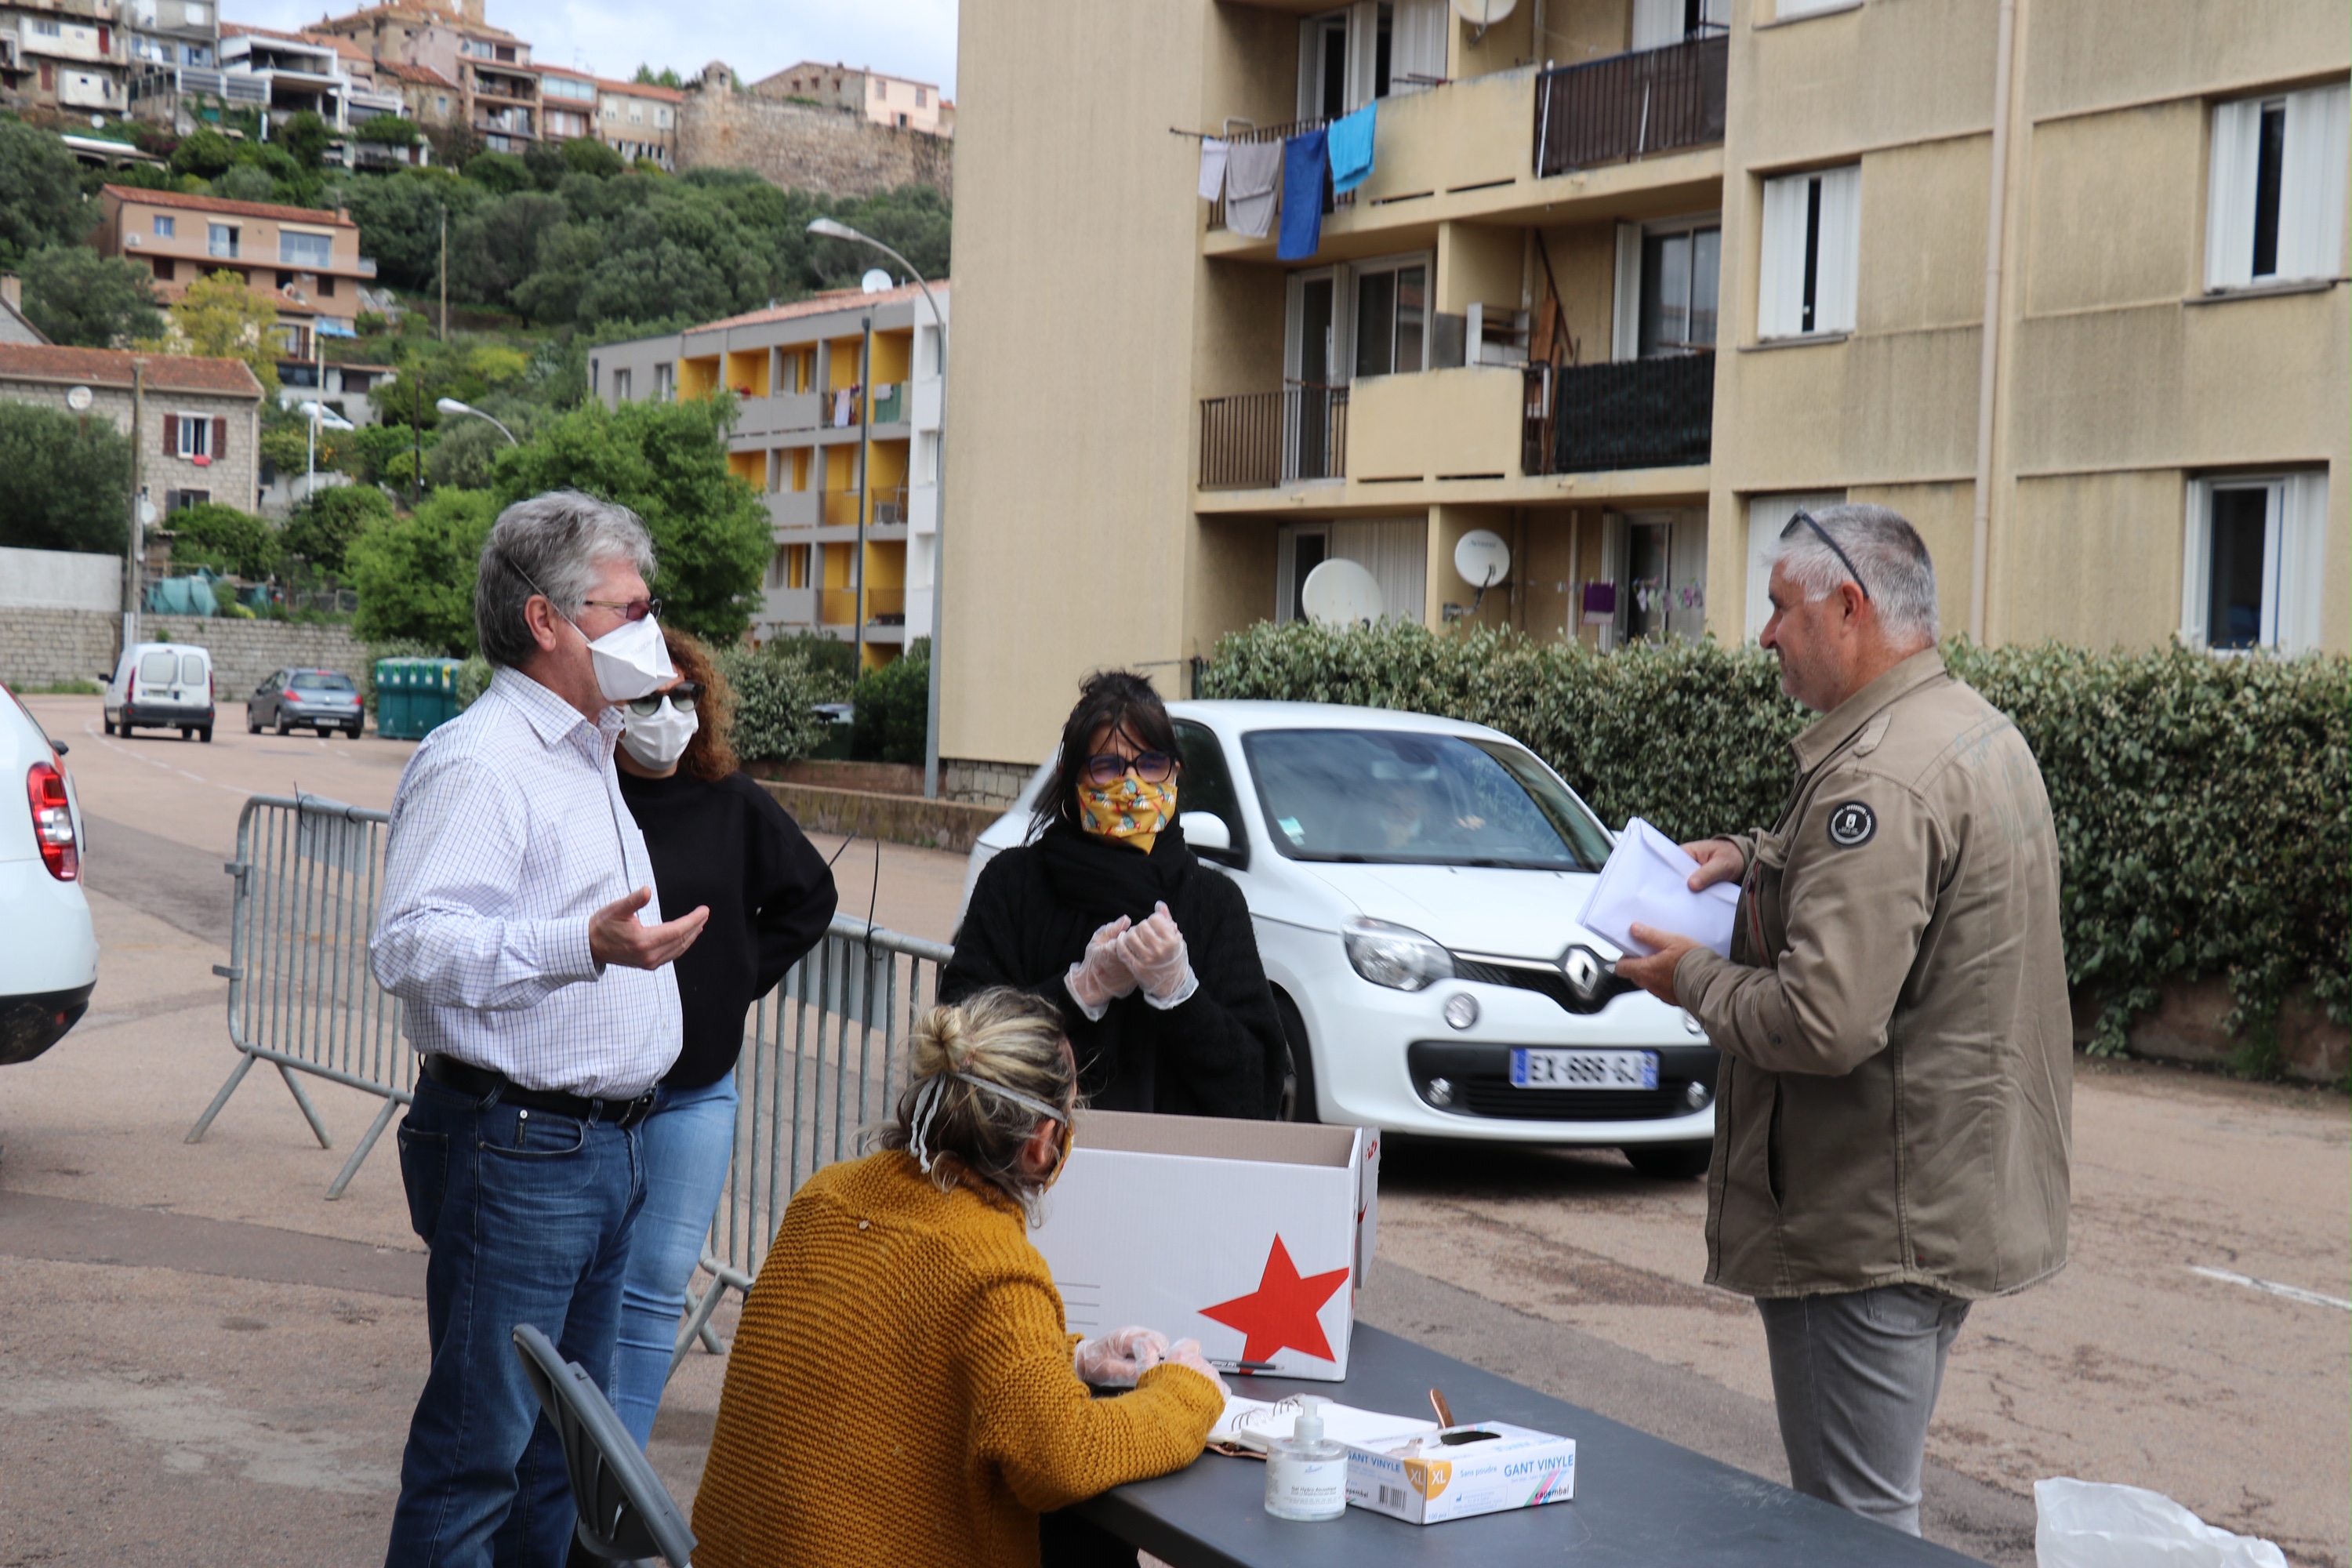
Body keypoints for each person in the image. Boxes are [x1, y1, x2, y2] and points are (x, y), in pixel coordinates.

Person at [1615, 503, 2071, 1537]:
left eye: (1781, 608)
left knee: (1853, 1528)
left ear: (1851, 610)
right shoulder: (1969, 731)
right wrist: (1757, 856)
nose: (1766, 633)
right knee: (1861, 1512)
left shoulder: (1877, 776)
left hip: (1866, 1220)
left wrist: (1691, 976)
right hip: (1933, 1199)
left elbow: (1825, 1020)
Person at [372, 490, 711, 1566]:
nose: (647, 631)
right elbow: (412, 950)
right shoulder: (483, 760)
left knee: (560, 1465)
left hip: (601, 1144)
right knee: (479, 1458)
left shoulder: (587, 751)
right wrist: (585, 947)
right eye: (627, 610)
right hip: (524, 1147)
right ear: (545, 621)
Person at [690, 986, 1230, 1568]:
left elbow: (911, 1362)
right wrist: (1185, 1392)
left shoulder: (826, 1196)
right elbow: (1057, 1461)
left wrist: (1068, 1358)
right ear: (1042, 1143)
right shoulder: (995, 1267)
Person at [610, 629, 838, 1450]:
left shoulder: (732, 799)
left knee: (653, 1286)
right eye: (647, 699)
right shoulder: (583, 796)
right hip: (589, 1090)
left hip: (695, 1087)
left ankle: (612, 1493)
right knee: (579, 1289)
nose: (668, 714)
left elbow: (809, 897)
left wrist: (736, 975)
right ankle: (554, 1482)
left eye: (682, 697)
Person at [942, 670, 1286, 1119]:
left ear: (1175, 773)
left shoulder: (1213, 903)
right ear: (1070, 777)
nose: (1131, 786)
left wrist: (1183, 995)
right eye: (1106, 766)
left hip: (1173, 1173)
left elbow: (1256, 1092)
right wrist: (1076, 992)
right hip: (1030, 1171)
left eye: (1151, 764)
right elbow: (959, 1046)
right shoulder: (1013, 885)